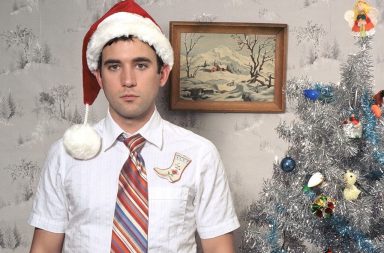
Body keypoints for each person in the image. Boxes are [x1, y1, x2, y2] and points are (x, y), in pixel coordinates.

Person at [28, 1, 240, 252]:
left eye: (141, 65)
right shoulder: (64, 155)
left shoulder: (200, 154)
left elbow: (218, 247)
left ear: (162, 74)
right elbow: (43, 247)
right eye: (114, 66)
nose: (127, 81)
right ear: (99, 76)